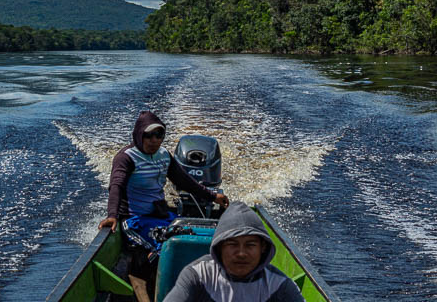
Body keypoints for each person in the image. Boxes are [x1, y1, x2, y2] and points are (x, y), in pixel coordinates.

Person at [98, 110, 229, 302]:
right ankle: (144, 286)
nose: (154, 140)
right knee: (165, 248)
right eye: (148, 135)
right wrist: (112, 215)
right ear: (138, 135)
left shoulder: (163, 155)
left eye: (159, 135)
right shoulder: (126, 158)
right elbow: (116, 185)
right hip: (135, 220)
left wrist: (212, 196)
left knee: (188, 238)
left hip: (161, 216)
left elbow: (185, 181)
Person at [162, 201, 304, 302]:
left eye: (250, 245)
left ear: (263, 248)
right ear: (220, 247)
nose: (241, 253)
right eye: (232, 244)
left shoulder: (279, 285)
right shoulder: (198, 275)